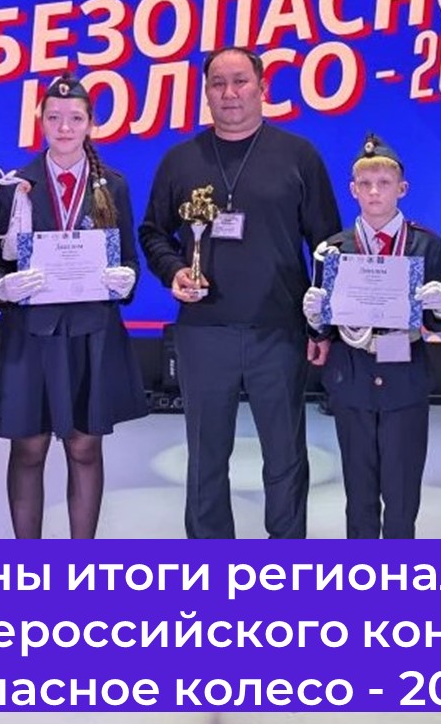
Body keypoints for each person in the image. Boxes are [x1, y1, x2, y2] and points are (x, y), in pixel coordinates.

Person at [138, 46, 341, 538]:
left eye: (240, 82)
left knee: (285, 455)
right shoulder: (180, 160)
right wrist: (173, 272)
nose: (229, 93)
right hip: (203, 331)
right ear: (205, 93)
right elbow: (153, 232)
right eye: (217, 84)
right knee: (206, 457)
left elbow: (329, 244)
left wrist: (323, 325)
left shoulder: (298, 156)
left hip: (280, 331)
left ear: (262, 87)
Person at [0, 73, 147, 538]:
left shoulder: (112, 185)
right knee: (28, 449)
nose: (64, 127)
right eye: (54, 117)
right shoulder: (14, 188)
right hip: (29, 335)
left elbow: (129, 259)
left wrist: (126, 281)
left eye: (75, 118)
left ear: (91, 123)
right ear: (41, 122)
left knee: (85, 448)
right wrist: (3, 286)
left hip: (92, 334)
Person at [302, 133, 441, 538]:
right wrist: (314, 318)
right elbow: (323, 328)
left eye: (384, 183)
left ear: (401, 189)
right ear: (352, 190)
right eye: (365, 184)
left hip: (405, 377)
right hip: (351, 377)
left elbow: (438, 322)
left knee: (402, 494)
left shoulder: (426, 244)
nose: (374, 191)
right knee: (359, 491)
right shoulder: (333, 249)